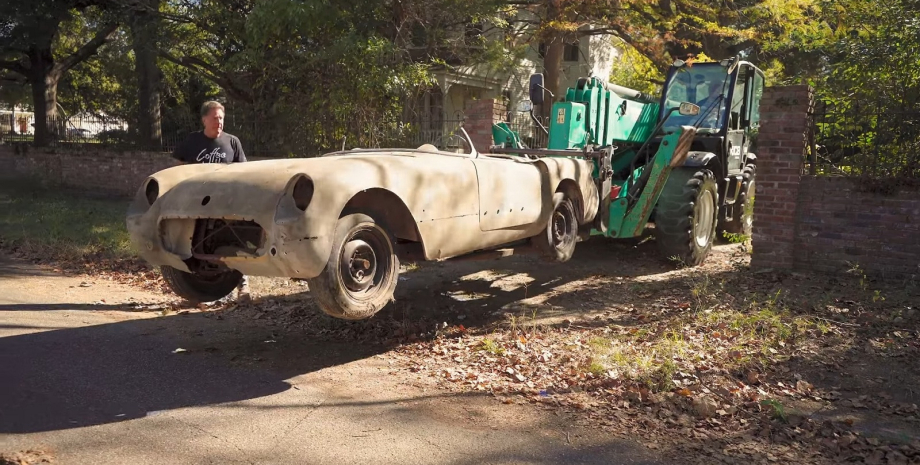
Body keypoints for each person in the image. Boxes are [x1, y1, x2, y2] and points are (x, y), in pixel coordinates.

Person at [172, 101, 252, 303]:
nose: (220, 122)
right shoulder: (192, 141)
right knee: (193, 243)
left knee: (234, 241)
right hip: (196, 204)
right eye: (215, 117)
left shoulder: (232, 142)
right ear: (204, 119)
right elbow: (178, 170)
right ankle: (196, 288)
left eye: (222, 118)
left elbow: (243, 172)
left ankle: (243, 286)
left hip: (226, 203)